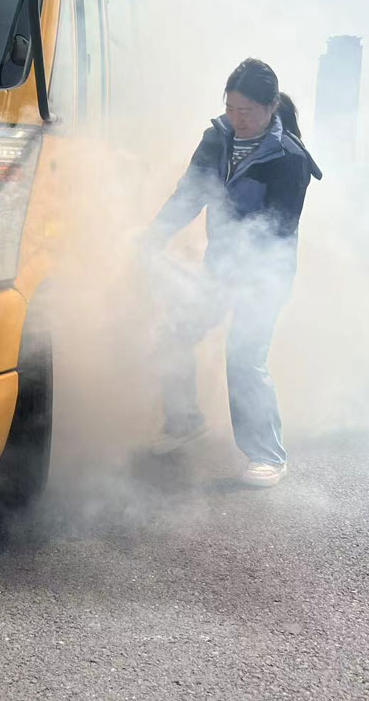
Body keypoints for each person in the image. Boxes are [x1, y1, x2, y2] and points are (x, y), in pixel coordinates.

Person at [142, 59, 322, 488]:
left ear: (271, 107)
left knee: (243, 357)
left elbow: (278, 228)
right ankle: (184, 421)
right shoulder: (216, 139)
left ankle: (268, 456)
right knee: (176, 333)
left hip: (266, 272)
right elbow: (189, 194)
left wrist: (239, 273)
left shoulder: (289, 158)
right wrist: (153, 237)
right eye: (231, 109)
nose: (238, 119)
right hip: (220, 265)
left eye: (248, 112)